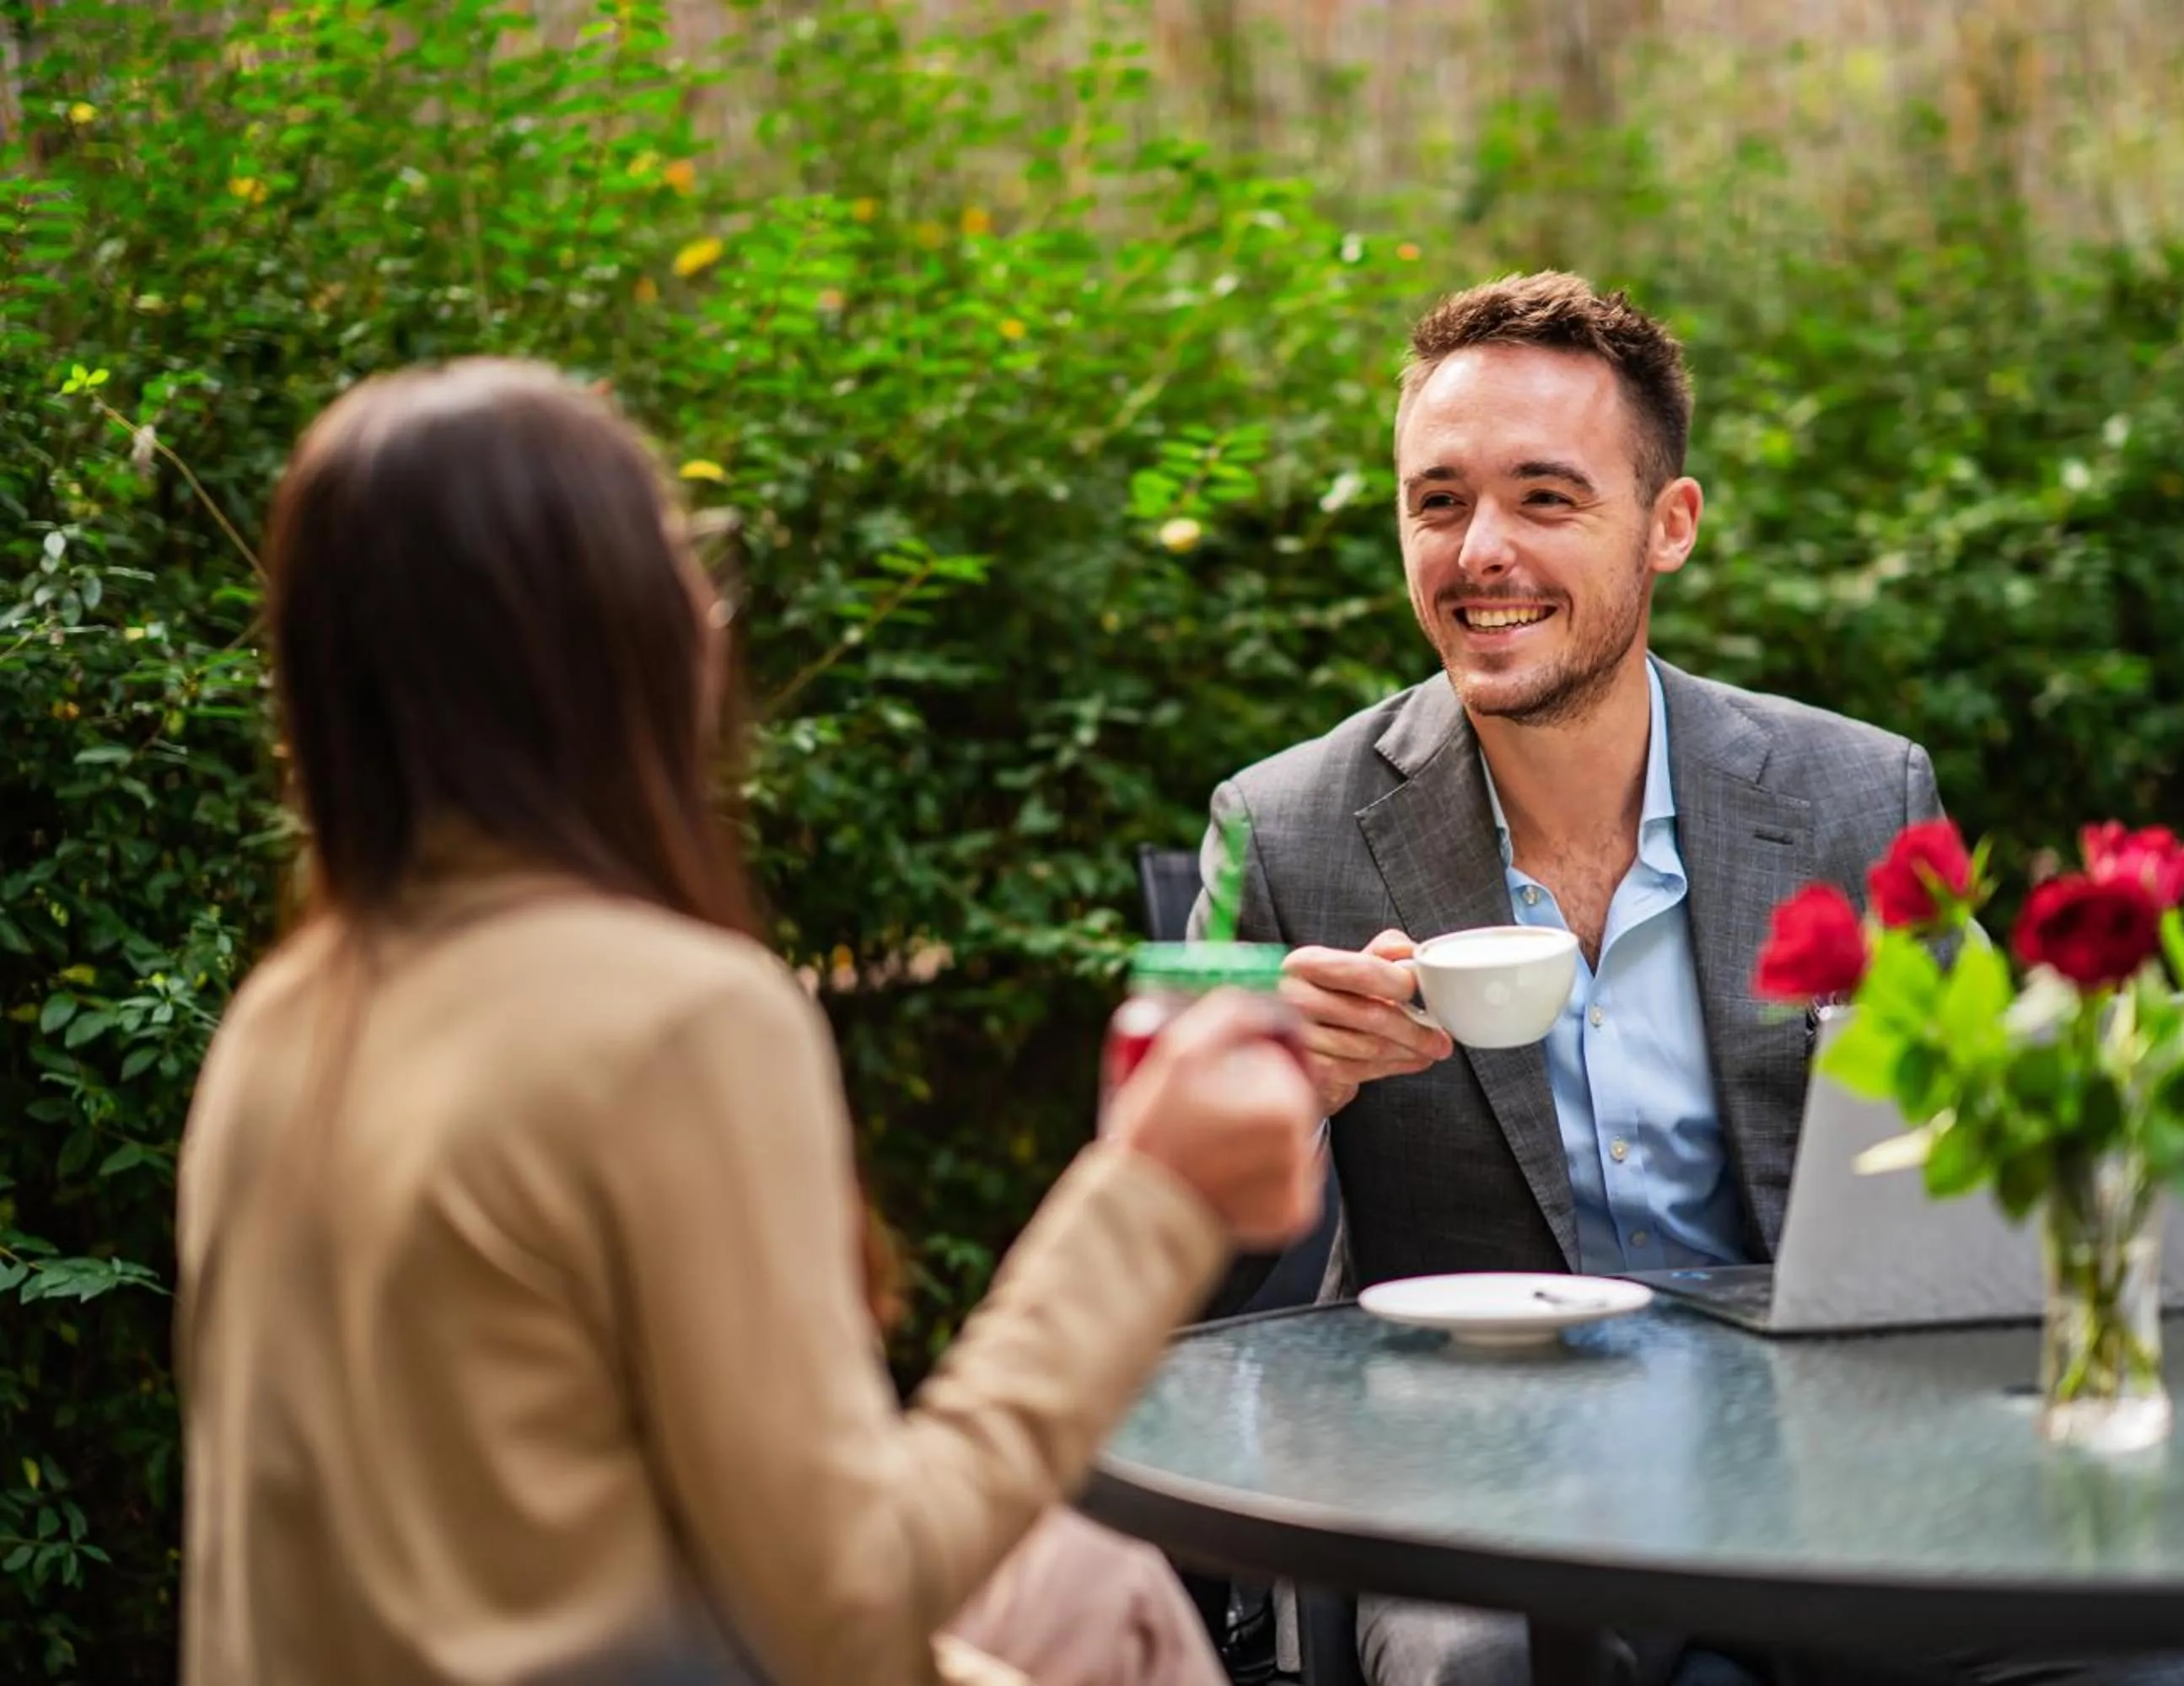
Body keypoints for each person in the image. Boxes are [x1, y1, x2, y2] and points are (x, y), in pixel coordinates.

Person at [176, 358, 1325, 1686]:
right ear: (611, 639)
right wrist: (1153, 1195)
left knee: (1092, 1580)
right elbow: (845, 1607)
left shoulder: (281, 1012)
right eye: (676, 555)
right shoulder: (675, 1023)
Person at [1192, 276, 2184, 1686]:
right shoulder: (1284, 829)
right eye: (1438, 502)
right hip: (1486, 1492)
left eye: (1547, 498)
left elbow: (2006, 1163)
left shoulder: (1856, 796)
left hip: (1833, 1476)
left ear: (1670, 527)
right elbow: (1181, 1288)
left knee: (2130, 1644)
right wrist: (1273, 1108)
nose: (1483, 552)